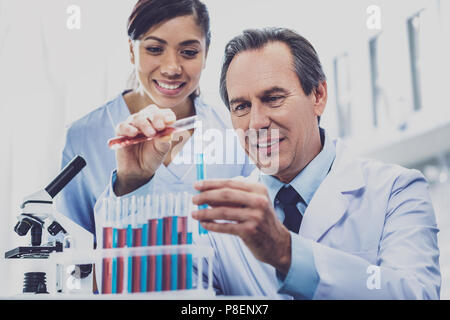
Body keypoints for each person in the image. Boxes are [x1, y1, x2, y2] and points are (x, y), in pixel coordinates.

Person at [190, 28, 441, 299]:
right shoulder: (217, 213)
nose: (257, 123)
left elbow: (416, 294)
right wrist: (137, 178)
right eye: (241, 107)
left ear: (318, 96)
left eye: (273, 99)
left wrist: (287, 252)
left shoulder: (396, 190)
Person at [57, 0, 253, 243]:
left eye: (189, 52)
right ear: (131, 50)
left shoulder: (233, 133)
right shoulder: (84, 136)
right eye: (154, 49)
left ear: (206, 54)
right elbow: (73, 253)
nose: (172, 68)